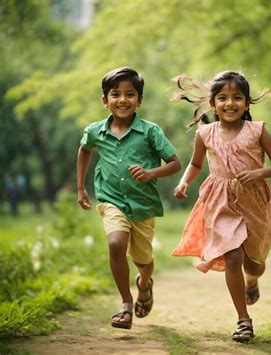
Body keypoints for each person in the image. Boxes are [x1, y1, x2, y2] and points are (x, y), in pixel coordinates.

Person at [172, 71, 271, 342]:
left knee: (254, 262)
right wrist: (184, 182)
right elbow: (196, 164)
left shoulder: (257, 130)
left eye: (237, 97)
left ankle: (253, 278)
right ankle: (243, 320)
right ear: (213, 104)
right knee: (233, 256)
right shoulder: (205, 133)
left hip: (253, 199)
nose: (230, 103)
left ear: (247, 103)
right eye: (222, 98)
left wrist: (259, 173)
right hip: (220, 199)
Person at [76, 67, 181, 330]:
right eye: (115, 94)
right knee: (115, 244)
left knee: (143, 261)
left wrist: (150, 173)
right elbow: (84, 150)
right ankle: (125, 303)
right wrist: (80, 187)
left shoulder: (150, 131)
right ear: (105, 100)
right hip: (111, 200)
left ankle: (144, 283)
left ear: (139, 100)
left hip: (143, 205)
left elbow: (175, 163)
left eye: (130, 94)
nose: (122, 100)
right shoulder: (95, 131)